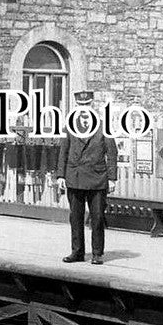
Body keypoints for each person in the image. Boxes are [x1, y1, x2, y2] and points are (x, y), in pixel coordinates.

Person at [55, 90, 118, 265]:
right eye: (80, 105)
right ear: (76, 106)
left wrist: (112, 178)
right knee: (75, 217)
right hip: (74, 178)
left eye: (86, 105)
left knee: (97, 217)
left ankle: (97, 253)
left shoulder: (102, 126)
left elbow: (112, 153)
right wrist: (60, 175)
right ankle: (77, 252)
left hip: (97, 179)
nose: (83, 109)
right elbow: (63, 152)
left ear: (92, 106)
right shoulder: (69, 126)